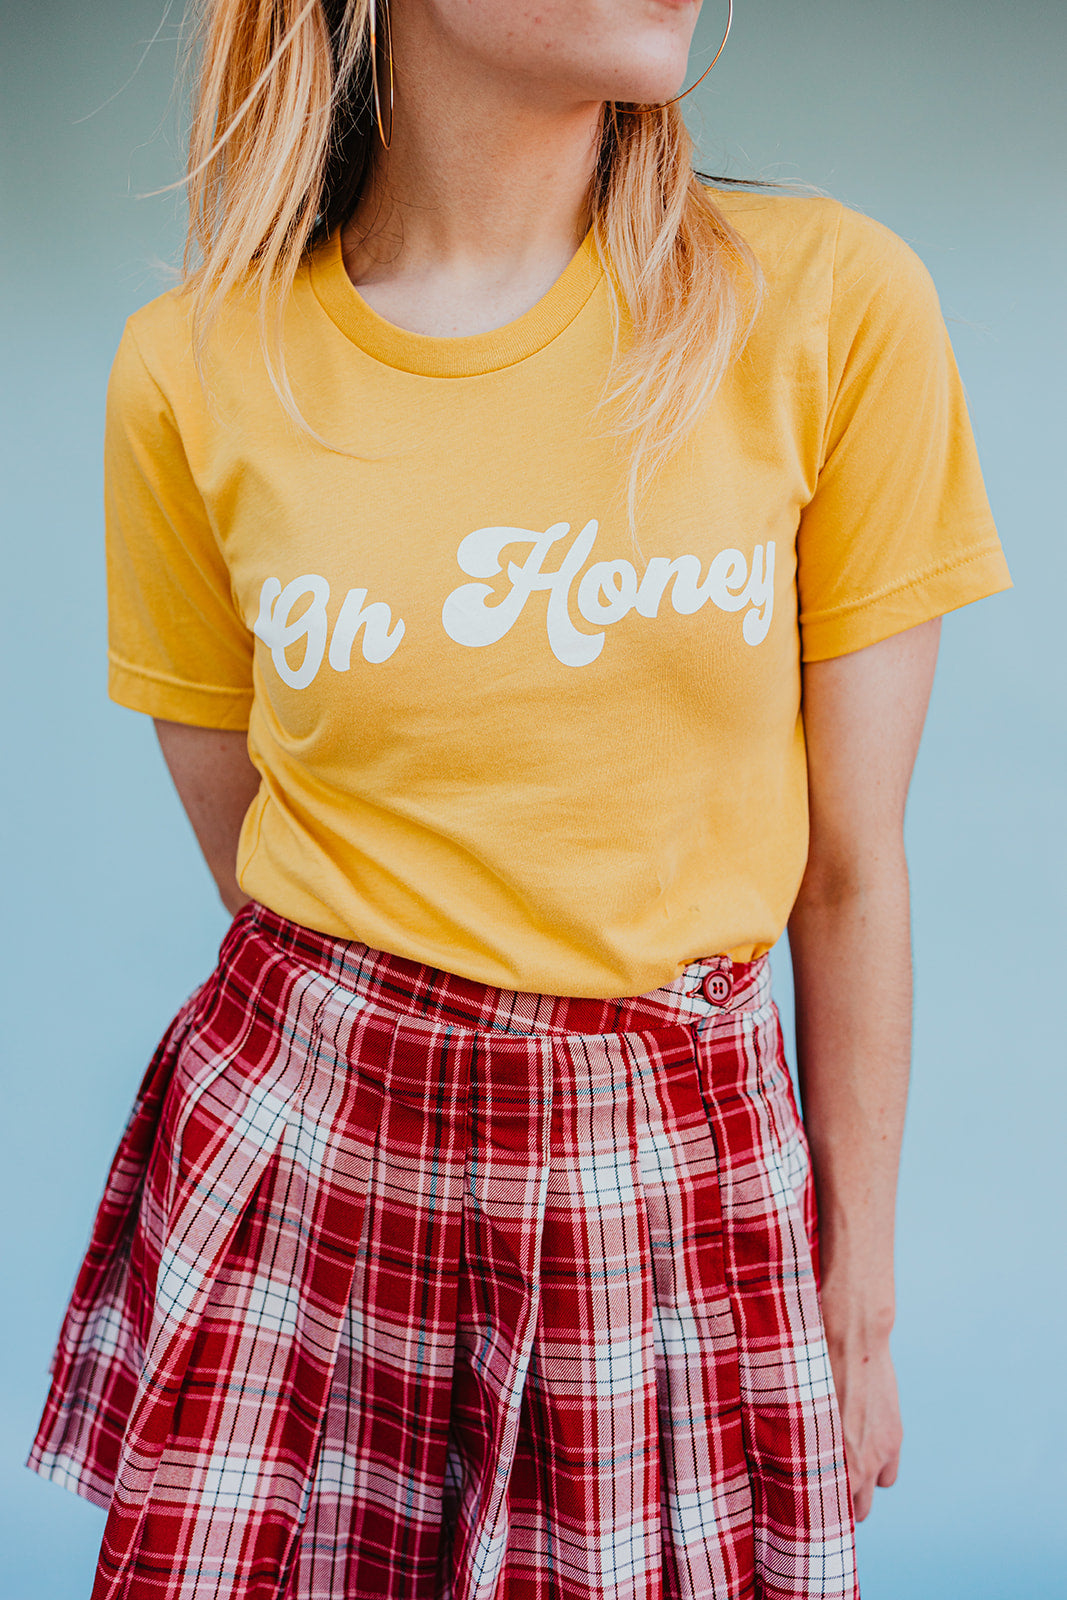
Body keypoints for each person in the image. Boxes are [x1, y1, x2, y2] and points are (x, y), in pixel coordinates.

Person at [26, 1, 1012, 1596]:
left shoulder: (832, 304)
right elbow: (263, 847)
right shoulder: (192, 369)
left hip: (666, 1183)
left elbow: (849, 873)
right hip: (308, 1160)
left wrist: (859, 1296)